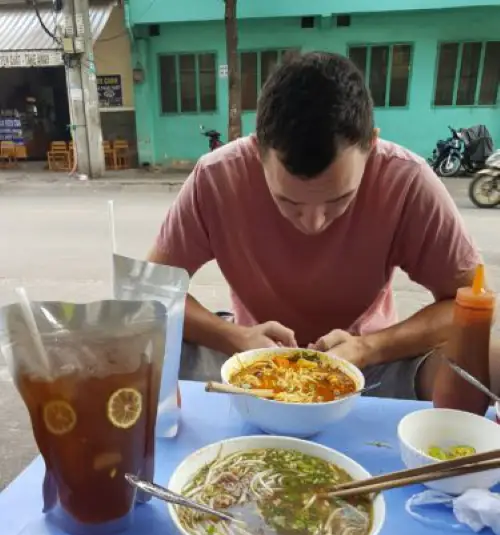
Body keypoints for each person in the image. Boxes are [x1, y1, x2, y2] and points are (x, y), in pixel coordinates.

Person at [147, 51, 486, 401]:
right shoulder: (217, 178)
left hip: (371, 363)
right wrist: (235, 338)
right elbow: (152, 289)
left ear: (371, 143)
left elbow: (471, 304)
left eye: (339, 200)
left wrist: (369, 347)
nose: (314, 223)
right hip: (252, 356)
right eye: (288, 202)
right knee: (148, 341)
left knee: (487, 353)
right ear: (256, 149)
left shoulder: (407, 181)